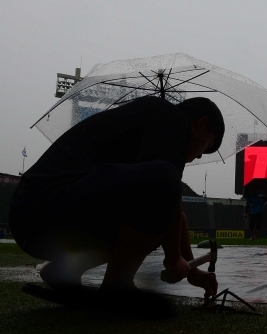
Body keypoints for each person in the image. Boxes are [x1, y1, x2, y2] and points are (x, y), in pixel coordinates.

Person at [9, 96, 221, 299]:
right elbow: (167, 188)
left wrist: (190, 267)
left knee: (159, 212)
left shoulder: (153, 125)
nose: (200, 155)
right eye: (207, 146)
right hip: (41, 209)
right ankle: (117, 285)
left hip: (36, 221)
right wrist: (173, 258)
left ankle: (65, 271)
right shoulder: (170, 118)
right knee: (164, 179)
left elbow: (172, 212)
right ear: (201, 124)